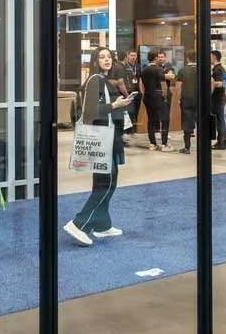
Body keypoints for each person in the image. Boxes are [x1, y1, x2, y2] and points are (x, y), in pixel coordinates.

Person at [65, 46, 134, 246]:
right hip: (103, 139)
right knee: (106, 184)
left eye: (109, 57)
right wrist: (116, 105)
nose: (107, 60)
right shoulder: (96, 80)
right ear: (95, 60)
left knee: (106, 183)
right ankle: (79, 223)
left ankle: (102, 224)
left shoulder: (101, 80)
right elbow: (90, 112)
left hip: (108, 138)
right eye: (102, 57)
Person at [140, 49, 174, 150]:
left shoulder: (144, 69)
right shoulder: (158, 69)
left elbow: (141, 83)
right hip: (158, 96)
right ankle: (164, 144)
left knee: (151, 121)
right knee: (164, 120)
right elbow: (163, 84)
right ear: (155, 58)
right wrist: (165, 96)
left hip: (147, 96)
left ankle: (152, 144)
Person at [210, 49, 226, 149]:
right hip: (218, 98)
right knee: (219, 119)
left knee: (219, 120)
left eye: (210, 56)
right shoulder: (218, 68)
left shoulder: (218, 69)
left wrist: (211, 83)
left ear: (214, 57)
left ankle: (221, 142)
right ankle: (222, 141)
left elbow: (222, 83)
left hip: (218, 98)